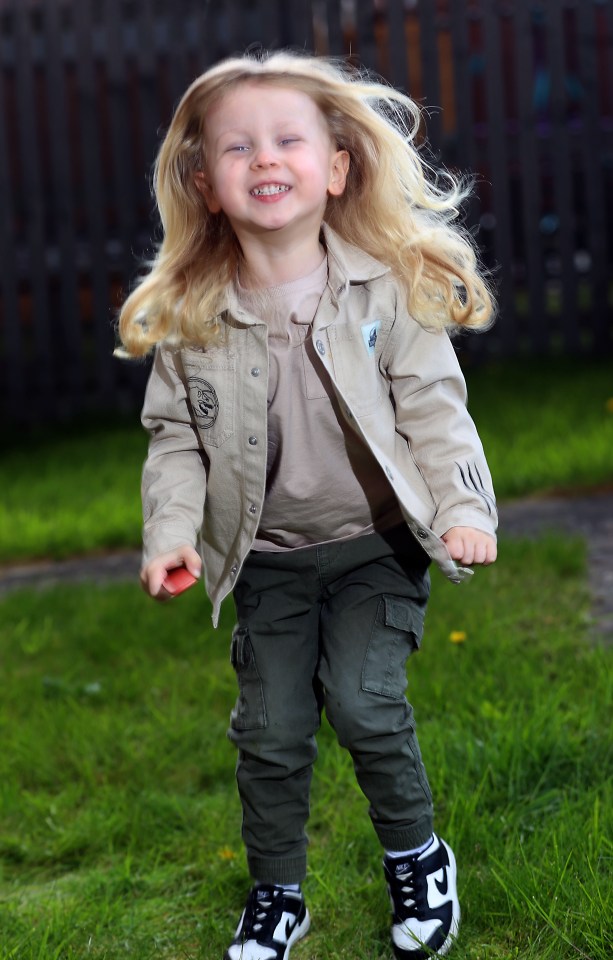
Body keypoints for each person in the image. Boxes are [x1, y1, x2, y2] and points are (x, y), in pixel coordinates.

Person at [118, 50, 497, 960]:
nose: (265, 159)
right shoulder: (191, 313)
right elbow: (174, 441)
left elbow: (436, 413)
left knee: (364, 705)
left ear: (335, 167)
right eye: (238, 147)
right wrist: (172, 534)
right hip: (271, 560)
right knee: (272, 732)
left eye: (287, 139)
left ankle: (417, 858)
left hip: (375, 546)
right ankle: (277, 894)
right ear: (206, 184)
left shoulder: (386, 287)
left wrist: (464, 509)